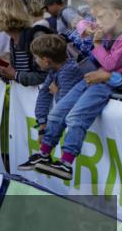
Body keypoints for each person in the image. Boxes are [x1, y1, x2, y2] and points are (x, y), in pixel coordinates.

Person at [25, 0, 122, 180]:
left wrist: (97, 44)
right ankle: (44, 153)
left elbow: (109, 64)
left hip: (109, 84)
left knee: (75, 117)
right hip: (95, 79)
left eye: (100, 17)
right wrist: (86, 28)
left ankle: (66, 162)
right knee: (58, 112)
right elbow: (82, 23)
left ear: (117, 14)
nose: (97, 22)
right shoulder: (109, 28)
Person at [16, 34, 84, 172]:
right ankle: (44, 155)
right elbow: (44, 93)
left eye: (36, 58)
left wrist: (57, 92)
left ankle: (52, 157)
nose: (35, 61)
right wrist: (42, 123)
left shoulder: (68, 71)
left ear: (46, 61)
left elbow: (64, 106)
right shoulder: (55, 69)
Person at [0, 0, 53, 87]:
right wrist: (1, 71)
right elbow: (19, 76)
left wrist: (15, 75)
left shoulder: (36, 37)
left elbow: (48, 76)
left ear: (2, 17)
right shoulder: (14, 40)